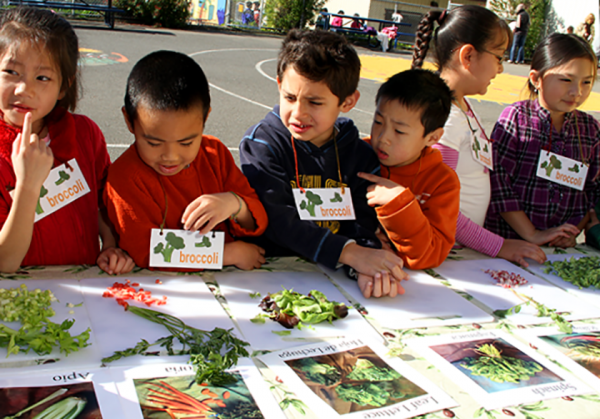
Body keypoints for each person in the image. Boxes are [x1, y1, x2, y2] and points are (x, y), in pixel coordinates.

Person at [240, 30, 408, 298]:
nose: (298, 113)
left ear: (348, 101)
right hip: (270, 275)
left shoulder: (360, 155)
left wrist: (365, 266)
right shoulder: (263, 144)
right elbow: (276, 218)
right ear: (279, 84)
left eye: (314, 102)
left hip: (334, 278)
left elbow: (363, 221)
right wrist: (349, 253)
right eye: (290, 97)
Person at [104, 51, 268, 270]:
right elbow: (146, 252)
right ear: (129, 120)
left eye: (186, 143)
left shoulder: (214, 154)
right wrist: (228, 254)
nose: (170, 156)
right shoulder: (123, 179)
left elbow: (257, 221)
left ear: (205, 118)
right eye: (154, 143)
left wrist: (234, 204)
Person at [0, 7, 133, 274]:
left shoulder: (85, 134)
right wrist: (27, 186)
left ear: (64, 86)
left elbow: (101, 202)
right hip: (19, 297)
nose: (24, 88)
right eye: (11, 72)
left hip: (82, 291)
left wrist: (109, 243)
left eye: (43, 77)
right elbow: (4, 263)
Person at [411, 5, 546, 267]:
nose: (501, 69)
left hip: (460, 248)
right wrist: (499, 245)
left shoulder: (462, 107)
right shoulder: (446, 119)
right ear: (468, 56)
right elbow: (439, 206)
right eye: (498, 57)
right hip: (446, 255)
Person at [486, 34, 600, 249]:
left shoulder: (591, 129)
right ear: (536, 79)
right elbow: (498, 183)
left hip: (561, 247)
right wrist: (533, 234)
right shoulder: (516, 117)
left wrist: (571, 231)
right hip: (510, 244)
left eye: (587, 82)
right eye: (566, 80)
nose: (577, 92)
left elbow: (592, 189)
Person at [357, 69, 460, 270]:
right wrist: (367, 239)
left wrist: (399, 205)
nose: (383, 137)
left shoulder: (442, 183)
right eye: (378, 122)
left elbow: (430, 255)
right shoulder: (355, 155)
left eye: (399, 131)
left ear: (432, 137)